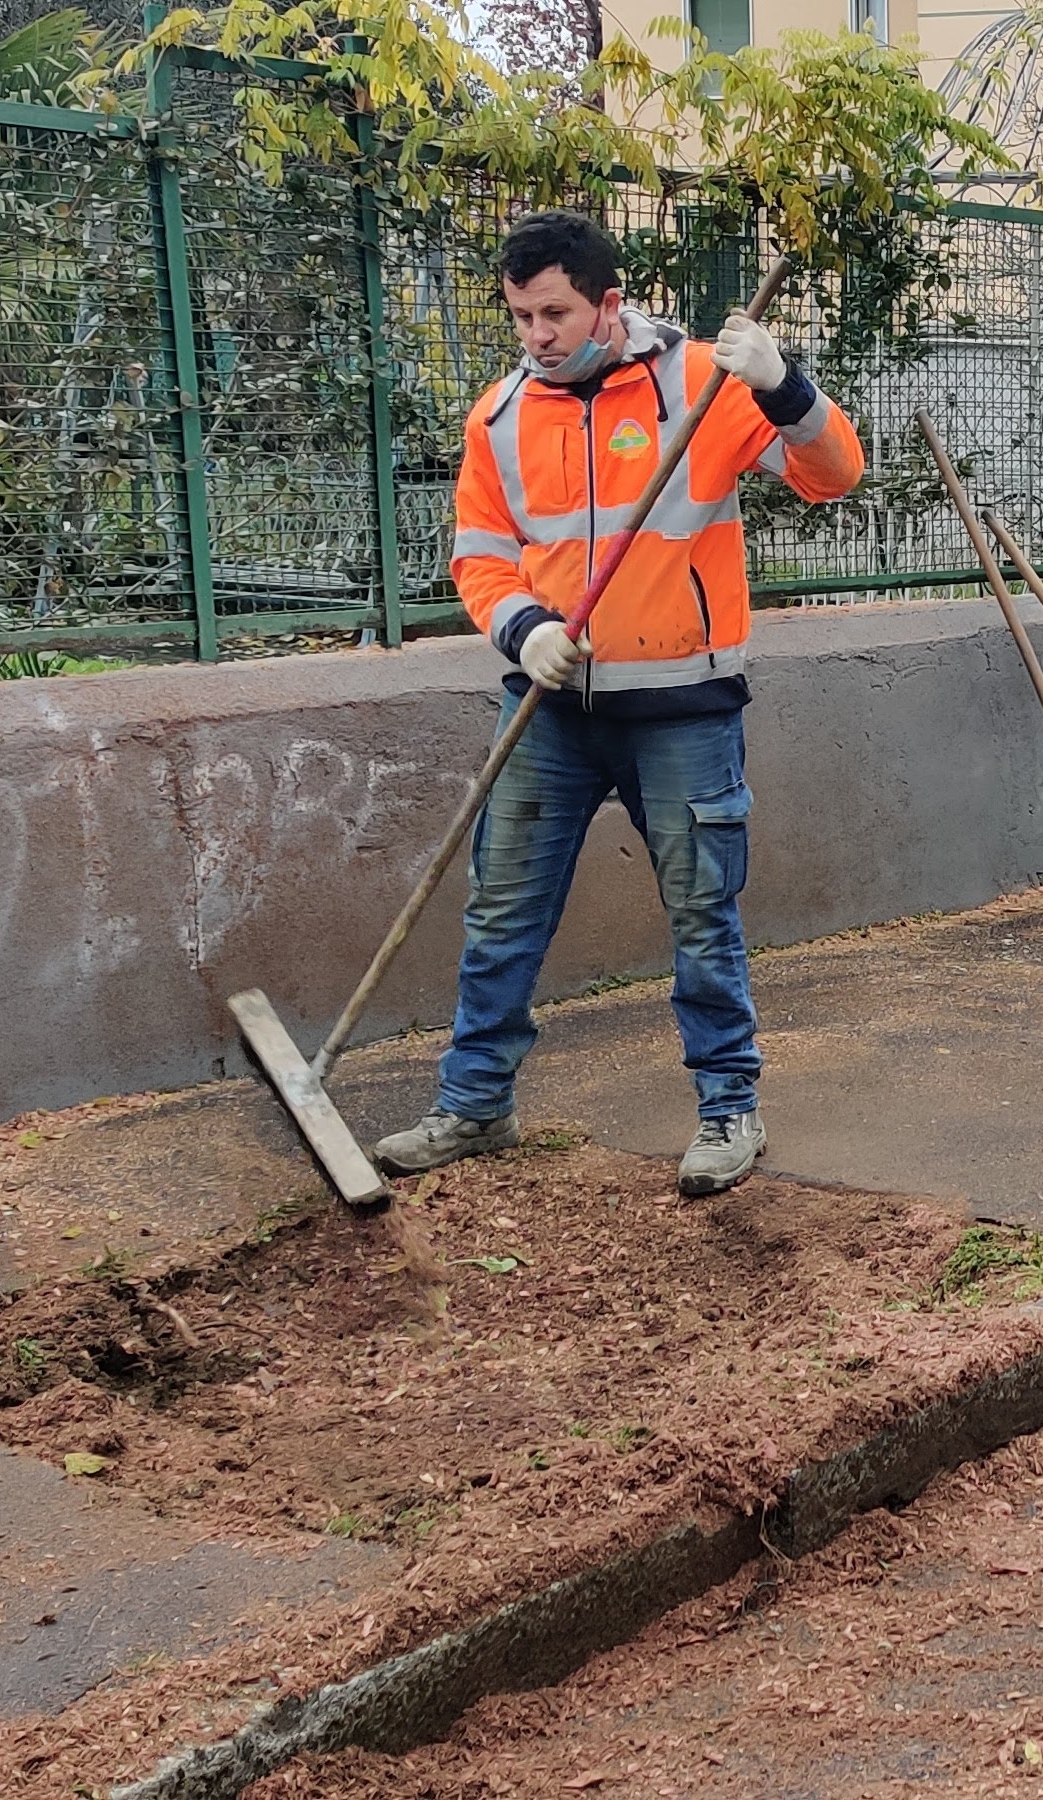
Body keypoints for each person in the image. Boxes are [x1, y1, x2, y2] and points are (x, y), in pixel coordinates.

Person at [372, 210, 865, 1197]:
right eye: (520, 317)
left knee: (700, 913)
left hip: (683, 709)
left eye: (553, 313)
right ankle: (476, 1105)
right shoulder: (501, 416)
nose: (536, 336)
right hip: (551, 710)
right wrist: (524, 630)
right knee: (501, 914)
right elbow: (479, 557)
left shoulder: (699, 385)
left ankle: (729, 1111)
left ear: (608, 302)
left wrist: (783, 384)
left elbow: (833, 476)